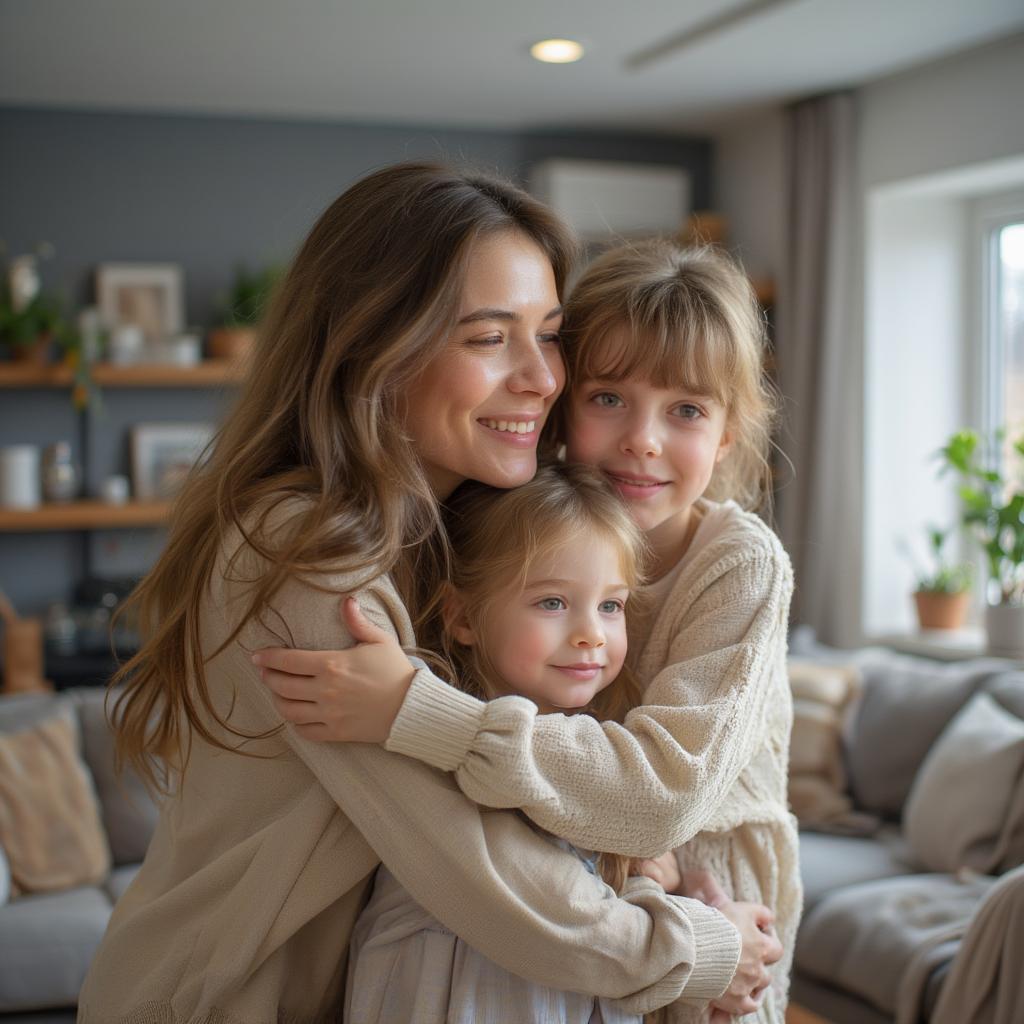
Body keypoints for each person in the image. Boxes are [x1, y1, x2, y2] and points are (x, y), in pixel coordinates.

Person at [78, 167, 778, 1024]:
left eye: (549, 336)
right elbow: (482, 870)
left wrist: (663, 871)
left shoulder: (464, 536)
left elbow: (546, 793)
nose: (541, 379)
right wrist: (699, 947)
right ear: (374, 349)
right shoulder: (303, 555)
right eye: (489, 338)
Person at [256, 238, 801, 1023]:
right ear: (560, 405)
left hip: (716, 907)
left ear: (726, 436)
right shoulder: (517, 527)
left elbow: (665, 794)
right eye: (608, 398)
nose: (642, 439)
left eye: (685, 410)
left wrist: (423, 715)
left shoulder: (740, 565)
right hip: (577, 885)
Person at [349, 461, 650, 1023]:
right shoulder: (428, 734)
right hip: (452, 988)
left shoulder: (599, 752)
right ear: (462, 615)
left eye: (611, 605)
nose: (592, 632)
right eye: (552, 602)